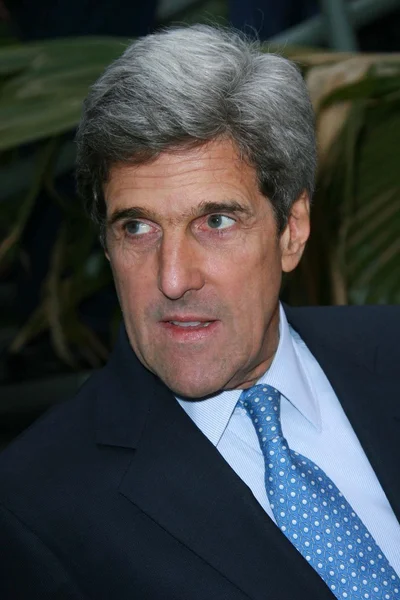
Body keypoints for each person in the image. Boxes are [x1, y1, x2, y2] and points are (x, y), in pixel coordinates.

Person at [0, 24, 399, 600]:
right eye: (136, 227)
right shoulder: (33, 505)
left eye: (215, 222)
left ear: (292, 230)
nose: (173, 278)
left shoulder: (391, 349)